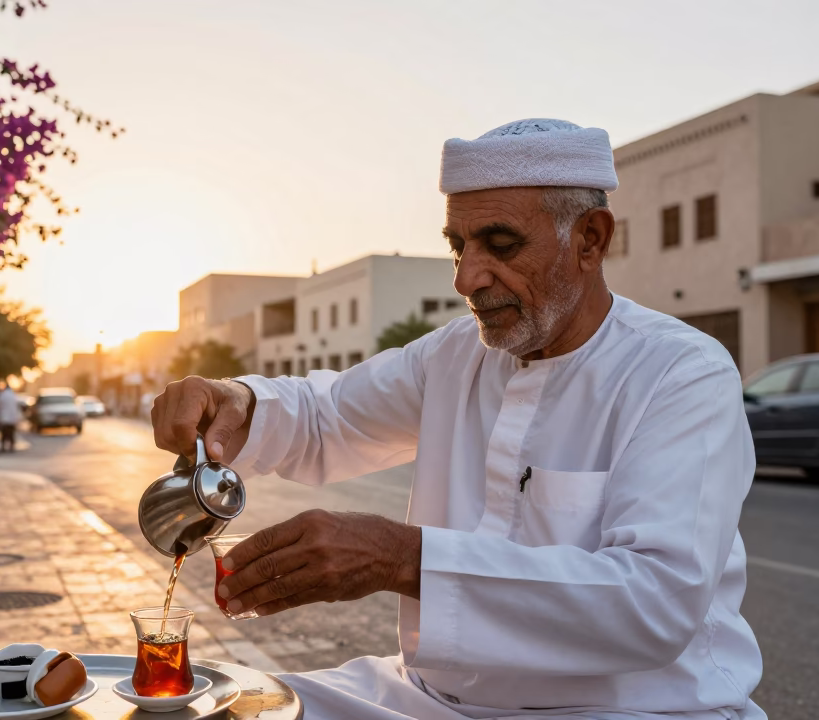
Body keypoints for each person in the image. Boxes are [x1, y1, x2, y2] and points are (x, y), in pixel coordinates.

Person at [151, 119, 764, 719]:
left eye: (501, 245)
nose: (467, 278)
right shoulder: (454, 355)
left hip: (635, 708)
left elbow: (651, 605)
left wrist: (402, 558)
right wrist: (234, 399)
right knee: (224, 709)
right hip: (428, 698)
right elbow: (328, 415)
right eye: (458, 245)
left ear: (591, 239)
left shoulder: (681, 374)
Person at [0, 382, 21, 452]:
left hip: (4, 417)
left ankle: (3, 447)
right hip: (12, 418)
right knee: (11, 433)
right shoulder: (13, 395)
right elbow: (17, 407)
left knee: (4, 433)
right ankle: (11, 446)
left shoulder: (2, 395)